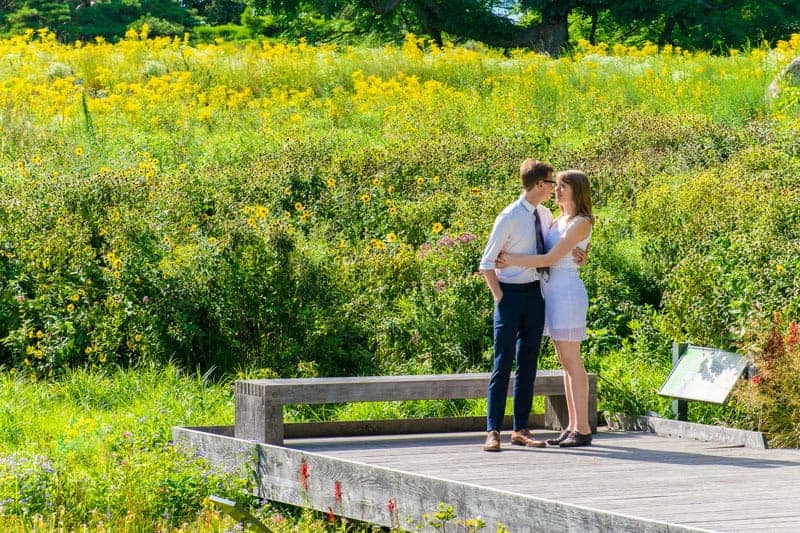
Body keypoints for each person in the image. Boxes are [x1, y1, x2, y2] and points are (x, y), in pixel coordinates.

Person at [478, 159, 586, 452]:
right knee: (502, 364)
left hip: (536, 294)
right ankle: (493, 430)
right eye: (552, 183)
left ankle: (520, 428)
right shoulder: (509, 216)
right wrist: (500, 297)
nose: (554, 188)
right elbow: (486, 263)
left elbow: (554, 248)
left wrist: (579, 254)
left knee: (528, 364)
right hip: (510, 294)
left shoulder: (545, 214)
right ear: (541, 185)